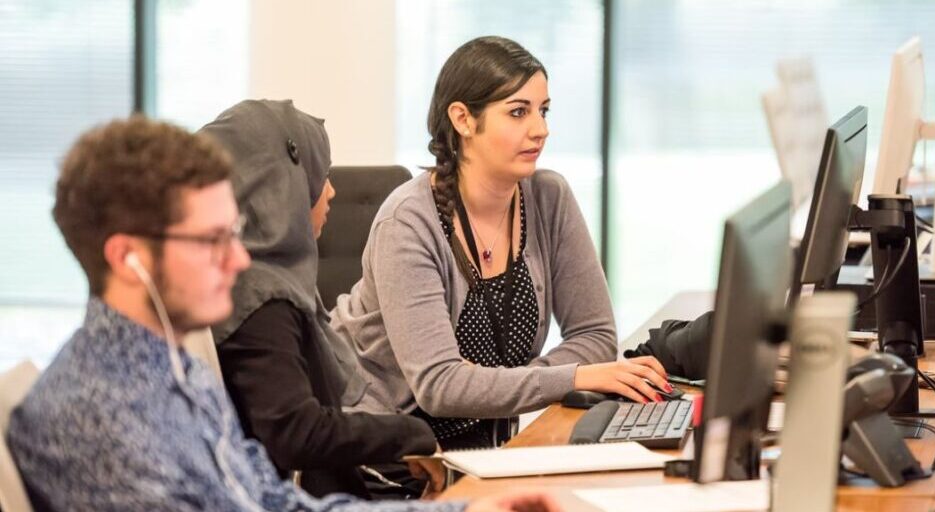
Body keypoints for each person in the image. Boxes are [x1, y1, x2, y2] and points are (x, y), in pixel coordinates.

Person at [5, 115, 558, 512]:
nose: (240, 258)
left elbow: (270, 500)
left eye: (235, 233)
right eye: (212, 239)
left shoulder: (170, 367)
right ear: (128, 258)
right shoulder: (105, 417)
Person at [330, 36, 671, 449]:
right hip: (390, 455)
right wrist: (572, 376)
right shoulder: (408, 223)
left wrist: (504, 384)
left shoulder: (549, 197)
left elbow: (595, 335)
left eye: (543, 111)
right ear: (463, 119)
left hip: (487, 449)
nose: (540, 129)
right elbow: (440, 385)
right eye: (518, 112)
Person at [202, 100, 440, 499]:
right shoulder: (261, 299)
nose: (331, 190)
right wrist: (411, 435)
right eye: (320, 175)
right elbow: (295, 433)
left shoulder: (260, 280)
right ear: (280, 186)